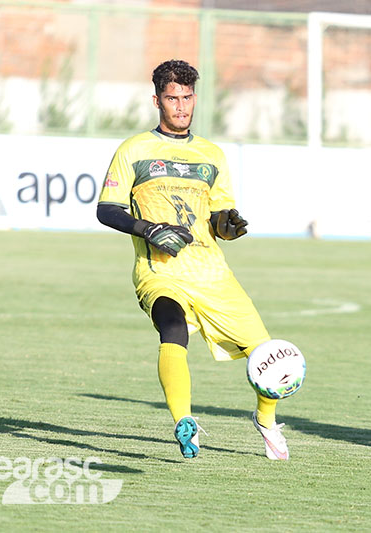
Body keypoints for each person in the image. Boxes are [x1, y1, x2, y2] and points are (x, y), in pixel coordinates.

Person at [97, 59, 291, 461]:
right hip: (160, 271)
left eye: (187, 98)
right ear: (157, 101)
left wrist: (227, 225)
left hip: (212, 273)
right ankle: (184, 421)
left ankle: (266, 421)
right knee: (172, 329)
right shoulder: (134, 150)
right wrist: (148, 229)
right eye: (172, 98)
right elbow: (107, 210)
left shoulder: (212, 155)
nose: (181, 106)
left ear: (195, 98)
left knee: (268, 355)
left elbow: (219, 214)